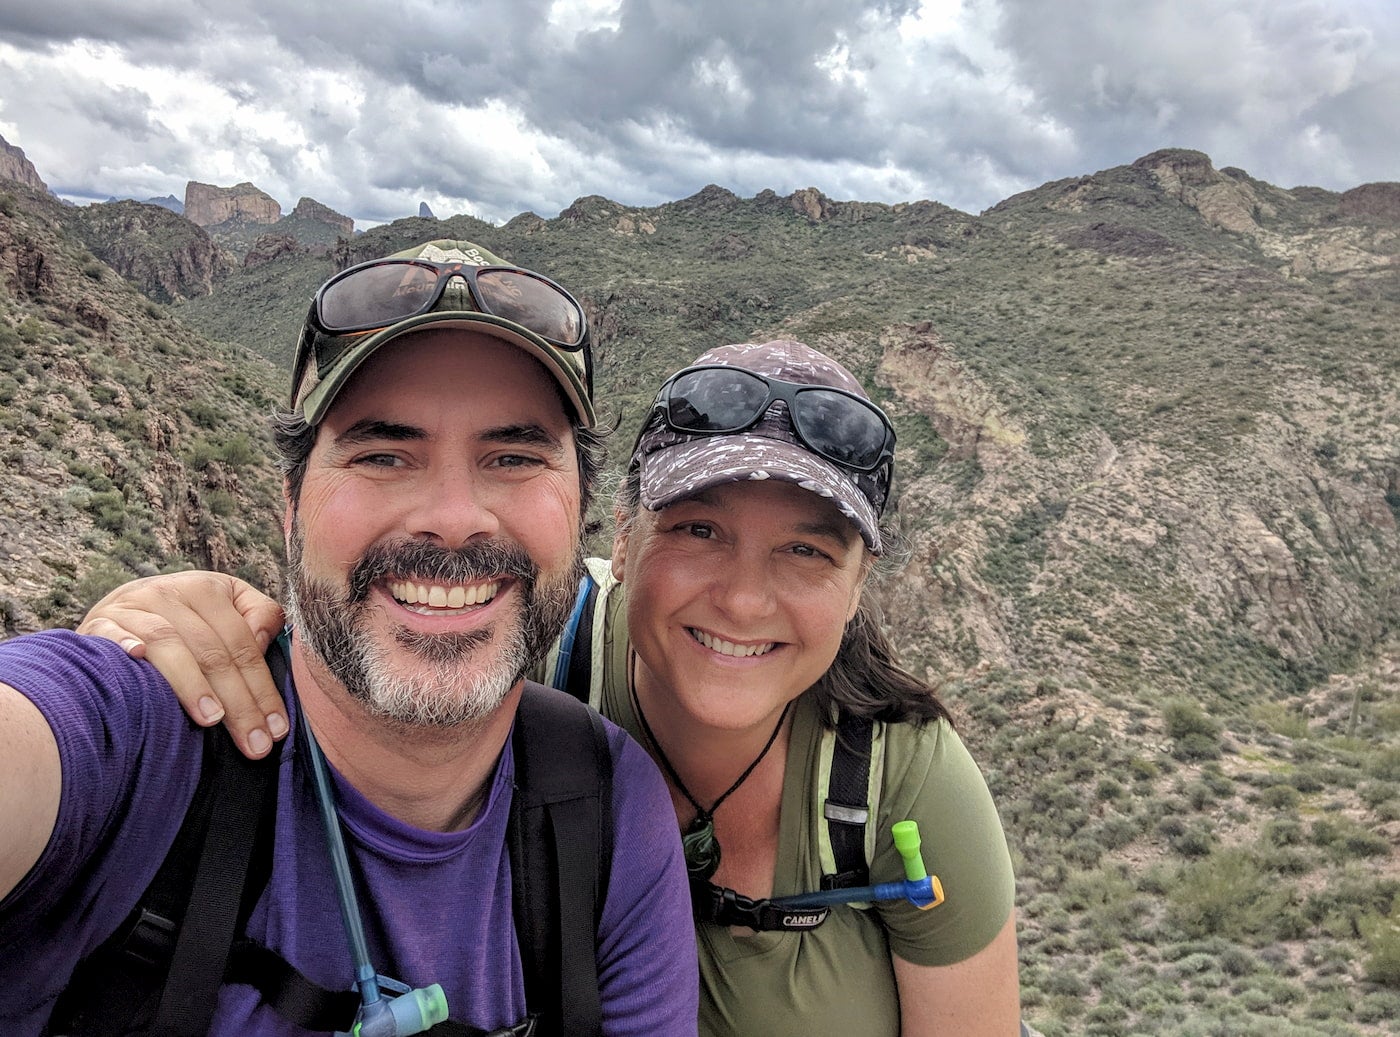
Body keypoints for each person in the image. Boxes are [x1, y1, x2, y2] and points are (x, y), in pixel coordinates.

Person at [82, 339, 1022, 1035]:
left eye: (808, 551)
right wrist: (156, 628)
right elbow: (380, 608)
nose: (742, 597)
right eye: (698, 530)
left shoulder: (903, 780)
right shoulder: (533, 635)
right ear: (619, 529)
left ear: (861, 585)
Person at [0, 240, 699, 1036]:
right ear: (289, 510)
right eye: (383, 453)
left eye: (511, 456)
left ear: (580, 513)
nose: (453, 514)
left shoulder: (607, 808)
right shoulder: (140, 740)